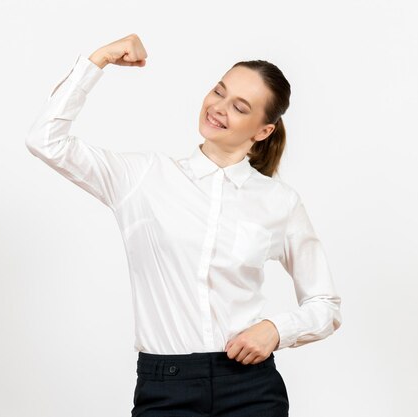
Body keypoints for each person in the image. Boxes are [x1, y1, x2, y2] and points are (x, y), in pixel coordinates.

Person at [25, 33, 342, 417]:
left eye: (240, 107)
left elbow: (324, 305)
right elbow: (46, 140)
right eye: (218, 91)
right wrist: (100, 60)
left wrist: (276, 329)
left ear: (263, 131)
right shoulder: (143, 178)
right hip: (166, 387)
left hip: (252, 388)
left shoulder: (280, 202)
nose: (218, 108)